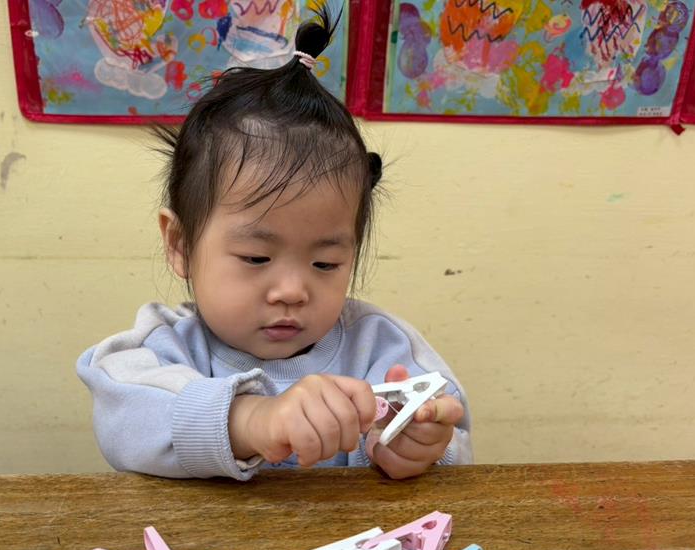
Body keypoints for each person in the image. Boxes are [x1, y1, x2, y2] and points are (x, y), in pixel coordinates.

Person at [77, 8, 471, 481]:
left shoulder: (382, 349)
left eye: (325, 263)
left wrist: (423, 449)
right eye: (256, 257)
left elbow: (452, 439)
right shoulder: (160, 348)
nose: (292, 291)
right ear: (180, 244)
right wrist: (250, 419)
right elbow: (122, 424)